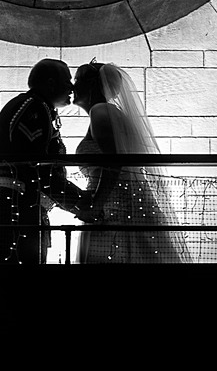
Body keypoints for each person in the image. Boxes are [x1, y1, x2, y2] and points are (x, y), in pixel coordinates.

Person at [72, 61, 189, 263]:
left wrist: (96, 205)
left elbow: (114, 162)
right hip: (119, 203)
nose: (72, 86)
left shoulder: (100, 111)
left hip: (114, 208)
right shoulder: (108, 112)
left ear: (91, 84)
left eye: (77, 80)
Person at [0, 58, 87, 263]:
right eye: (67, 81)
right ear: (51, 83)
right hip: (17, 207)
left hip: (19, 205)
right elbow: (39, 171)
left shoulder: (33, 106)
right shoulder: (33, 109)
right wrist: (80, 203)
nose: (71, 87)